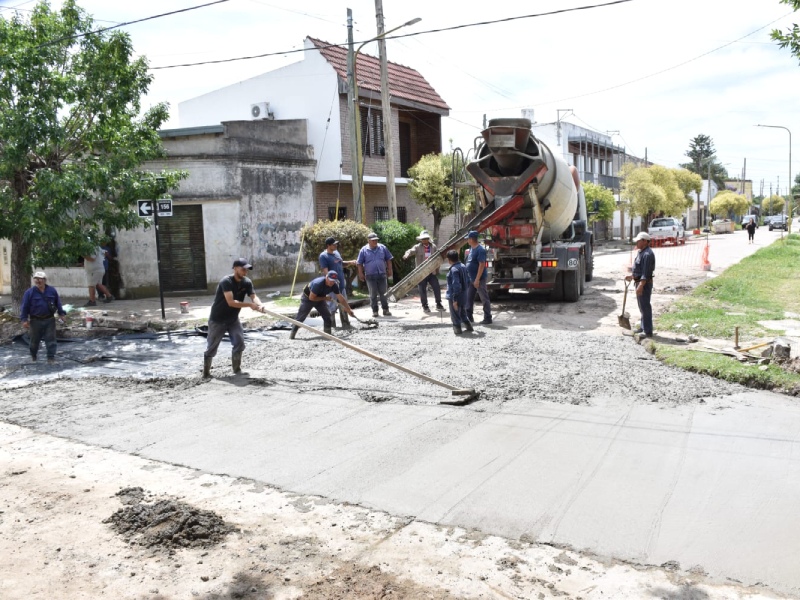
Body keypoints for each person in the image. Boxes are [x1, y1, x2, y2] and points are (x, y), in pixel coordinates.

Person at [203, 258, 267, 378]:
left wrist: (259, 304)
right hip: (218, 319)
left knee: (239, 342)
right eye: (243, 269)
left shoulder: (246, 282)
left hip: (233, 319)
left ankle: (236, 370)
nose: (245, 272)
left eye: (247, 270)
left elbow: (253, 296)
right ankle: (206, 373)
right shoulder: (226, 282)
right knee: (212, 346)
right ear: (235, 268)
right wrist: (249, 305)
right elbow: (231, 302)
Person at [289, 271, 357, 339]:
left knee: (327, 316)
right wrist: (325, 298)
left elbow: (341, 298)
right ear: (326, 277)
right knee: (300, 317)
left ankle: (327, 335)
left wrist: (349, 309)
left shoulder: (334, 285)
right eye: (330, 280)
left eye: (334, 281)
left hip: (320, 299)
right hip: (308, 299)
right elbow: (312, 298)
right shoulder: (318, 283)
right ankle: (292, 335)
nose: (332, 282)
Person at [19, 271, 67, 363]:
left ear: (44, 280)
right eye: (36, 279)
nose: (38, 281)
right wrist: (24, 320)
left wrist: (62, 314)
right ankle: (33, 355)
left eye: (40, 279)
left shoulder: (52, 291)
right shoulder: (29, 292)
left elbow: (58, 303)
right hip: (35, 320)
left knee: (51, 340)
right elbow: (24, 307)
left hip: (49, 320)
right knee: (34, 341)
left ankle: (51, 357)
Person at [319, 236, 357, 328]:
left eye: (336, 244)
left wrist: (350, 262)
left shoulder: (336, 253)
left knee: (344, 304)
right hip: (332, 286)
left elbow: (340, 263)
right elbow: (326, 271)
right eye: (333, 244)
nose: (336, 245)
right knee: (331, 306)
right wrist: (330, 283)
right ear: (328, 245)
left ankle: (346, 323)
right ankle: (331, 325)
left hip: (341, 284)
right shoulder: (324, 256)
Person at [403, 230, 444, 313]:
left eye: (426, 239)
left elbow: (437, 258)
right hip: (421, 272)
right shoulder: (417, 247)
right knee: (422, 289)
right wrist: (407, 254)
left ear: (428, 239)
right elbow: (410, 251)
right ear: (421, 240)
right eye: (423, 239)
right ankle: (425, 306)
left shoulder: (433, 247)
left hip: (431, 271)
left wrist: (437, 269)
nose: (425, 240)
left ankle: (438, 303)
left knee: (436, 287)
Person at [625, 232, 656, 337]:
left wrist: (641, 285)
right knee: (641, 306)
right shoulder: (641, 253)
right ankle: (643, 327)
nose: (637, 243)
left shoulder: (647, 254)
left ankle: (647, 331)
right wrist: (632, 276)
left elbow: (646, 272)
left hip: (644, 284)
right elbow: (639, 269)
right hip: (639, 282)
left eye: (638, 241)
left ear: (644, 241)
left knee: (645, 306)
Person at [357, 232, 393, 318]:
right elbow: (359, 263)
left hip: (382, 274)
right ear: (369, 241)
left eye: (376, 240)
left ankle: (385, 309)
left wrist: (390, 269)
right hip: (370, 275)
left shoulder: (382, 248)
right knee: (373, 294)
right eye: (373, 240)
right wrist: (361, 273)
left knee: (384, 293)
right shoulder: (364, 250)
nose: (375, 242)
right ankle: (375, 311)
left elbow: (388, 259)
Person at [464, 230, 492, 325]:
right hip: (470, 278)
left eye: (468, 238)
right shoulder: (471, 249)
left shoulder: (480, 250)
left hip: (478, 279)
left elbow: (481, 265)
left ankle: (488, 318)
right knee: (469, 298)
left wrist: (477, 279)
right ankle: (469, 317)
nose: (467, 240)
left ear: (471, 239)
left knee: (484, 298)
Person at [445, 250, 473, 335]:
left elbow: (456, 285)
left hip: (455, 296)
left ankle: (457, 330)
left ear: (449, 260)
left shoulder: (454, 269)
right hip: (464, 295)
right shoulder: (463, 266)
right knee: (463, 313)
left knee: (455, 315)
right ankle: (469, 327)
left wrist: (455, 300)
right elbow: (468, 280)